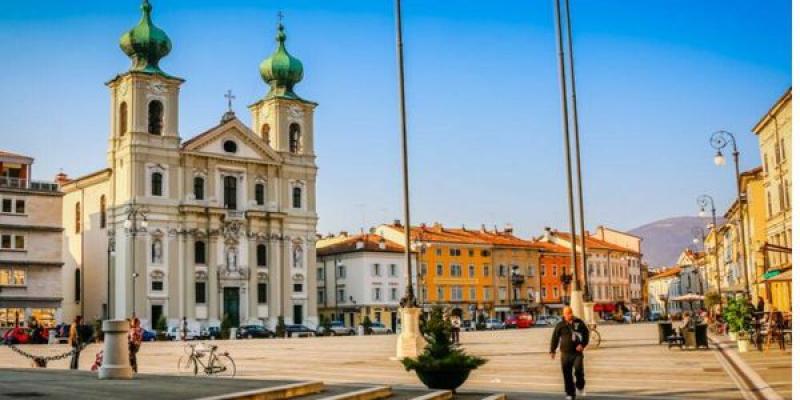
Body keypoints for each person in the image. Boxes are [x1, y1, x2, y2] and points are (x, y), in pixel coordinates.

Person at [550, 306, 590, 400]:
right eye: (567, 313)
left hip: (577, 353)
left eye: (570, 312)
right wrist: (552, 350)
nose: (569, 315)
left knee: (579, 371)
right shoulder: (560, 325)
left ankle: (580, 386)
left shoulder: (579, 322)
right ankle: (570, 394)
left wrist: (582, 345)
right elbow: (554, 338)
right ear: (564, 314)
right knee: (567, 375)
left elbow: (586, 334)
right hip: (565, 354)